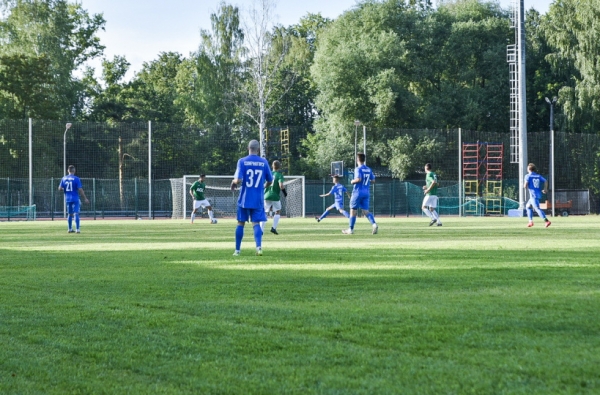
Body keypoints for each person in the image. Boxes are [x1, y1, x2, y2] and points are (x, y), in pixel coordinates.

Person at [231, 140, 273, 256]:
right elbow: (270, 180)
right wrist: (263, 187)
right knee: (256, 223)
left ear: (247, 148)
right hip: (257, 199)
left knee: (240, 223)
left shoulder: (242, 161)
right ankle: (259, 248)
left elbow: (238, 180)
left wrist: (233, 182)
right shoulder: (264, 162)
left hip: (244, 198)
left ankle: (237, 251)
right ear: (258, 149)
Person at [342, 153, 378, 235]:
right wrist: (367, 180)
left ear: (357, 159)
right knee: (365, 211)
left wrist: (352, 181)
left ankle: (350, 229)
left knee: (352, 211)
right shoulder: (369, 169)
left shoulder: (358, 169)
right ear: (364, 160)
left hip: (357, 192)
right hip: (366, 192)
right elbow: (373, 180)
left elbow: (358, 179)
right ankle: (374, 224)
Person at [58, 165, 89, 233]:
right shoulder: (76, 179)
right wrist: (85, 198)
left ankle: (69, 229)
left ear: (68, 171)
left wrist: (66, 189)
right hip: (75, 198)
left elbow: (60, 188)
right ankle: (77, 229)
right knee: (76, 213)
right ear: (74, 171)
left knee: (69, 214)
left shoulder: (64, 178)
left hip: (68, 198)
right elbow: (80, 189)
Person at [261, 160, 287, 235]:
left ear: (272, 166)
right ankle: (273, 228)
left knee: (264, 213)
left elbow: (263, 184)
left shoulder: (267, 174)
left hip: (266, 195)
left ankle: (261, 230)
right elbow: (281, 185)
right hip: (275, 196)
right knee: (278, 211)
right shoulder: (279, 175)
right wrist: (285, 193)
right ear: (279, 167)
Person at [524, 163, 551, 228]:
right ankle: (530, 222)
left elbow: (525, 185)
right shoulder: (538, 176)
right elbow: (545, 181)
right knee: (528, 206)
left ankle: (546, 221)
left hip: (533, 195)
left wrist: (525, 185)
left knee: (537, 208)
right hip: (538, 194)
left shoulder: (527, 176)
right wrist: (545, 189)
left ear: (529, 169)